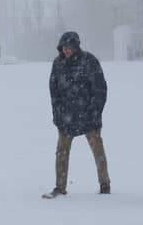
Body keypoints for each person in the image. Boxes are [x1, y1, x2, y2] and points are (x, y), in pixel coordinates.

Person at [43, 31, 110, 198]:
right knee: (62, 151)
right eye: (63, 47)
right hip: (66, 117)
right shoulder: (58, 64)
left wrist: (94, 112)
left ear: (76, 46)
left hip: (88, 115)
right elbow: (54, 91)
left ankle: (105, 184)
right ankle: (60, 186)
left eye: (69, 47)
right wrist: (57, 113)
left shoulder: (89, 61)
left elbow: (100, 89)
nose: (66, 50)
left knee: (97, 149)